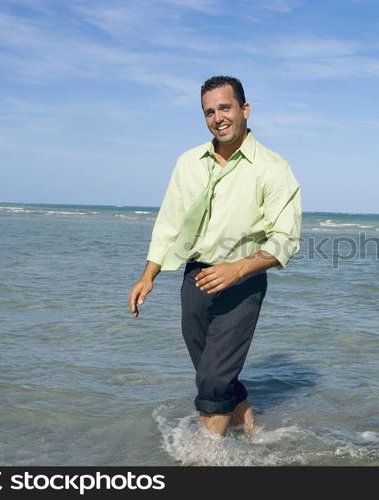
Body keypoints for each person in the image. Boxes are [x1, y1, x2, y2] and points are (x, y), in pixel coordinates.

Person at [128, 76, 301, 436]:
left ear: (244, 110)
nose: (217, 117)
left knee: (213, 376)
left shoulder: (273, 167)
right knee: (211, 368)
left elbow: (285, 238)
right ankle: (250, 426)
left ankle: (206, 458)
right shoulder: (188, 162)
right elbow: (169, 222)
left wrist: (237, 269)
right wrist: (149, 275)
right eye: (209, 111)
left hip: (244, 280)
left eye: (225, 107)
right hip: (194, 277)